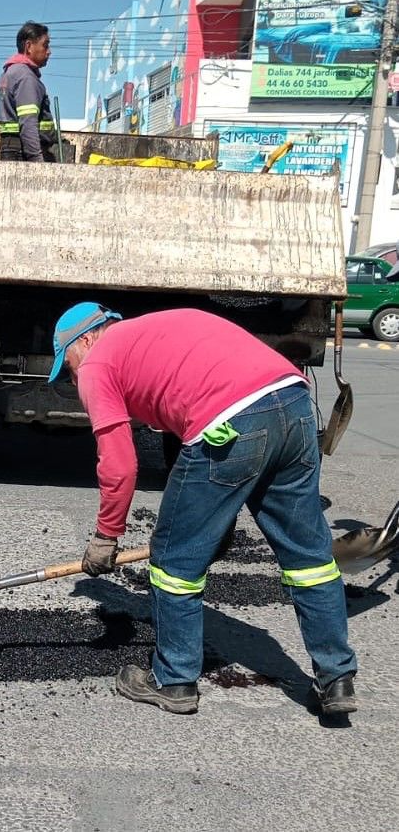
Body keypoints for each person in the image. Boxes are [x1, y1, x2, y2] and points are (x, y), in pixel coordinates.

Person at [48, 302, 358, 716]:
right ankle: (336, 678)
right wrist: (219, 516)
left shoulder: (97, 364)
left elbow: (120, 465)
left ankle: (174, 681)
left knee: (173, 562)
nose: (72, 377)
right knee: (309, 558)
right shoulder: (162, 328)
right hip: (294, 404)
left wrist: (107, 535)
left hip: (231, 422)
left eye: (67, 364)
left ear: (84, 339)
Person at [0, 21, 57, 162]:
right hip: (23, 152)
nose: (49, 51)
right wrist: (37, 160)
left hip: (11, 148)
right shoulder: (26, 77)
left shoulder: (10, 72)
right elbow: (28, 123)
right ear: (29, 46)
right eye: (45, 45)